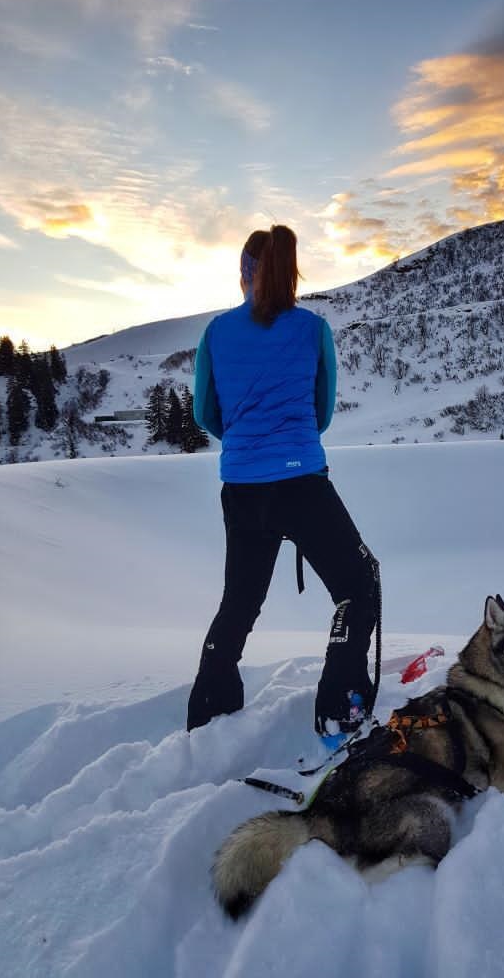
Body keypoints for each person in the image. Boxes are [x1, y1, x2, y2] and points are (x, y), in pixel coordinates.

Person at [187, 225, 379, 737]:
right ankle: (340, 706)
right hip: (302, 485)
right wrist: (285, 444)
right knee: (358, 584)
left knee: (240, 602)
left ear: (247, 274)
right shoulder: (312, 329)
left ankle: (210, 710)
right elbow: (320, 412)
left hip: (242, 489)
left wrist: (248, 442)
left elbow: (206, 412)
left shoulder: (215, 333)